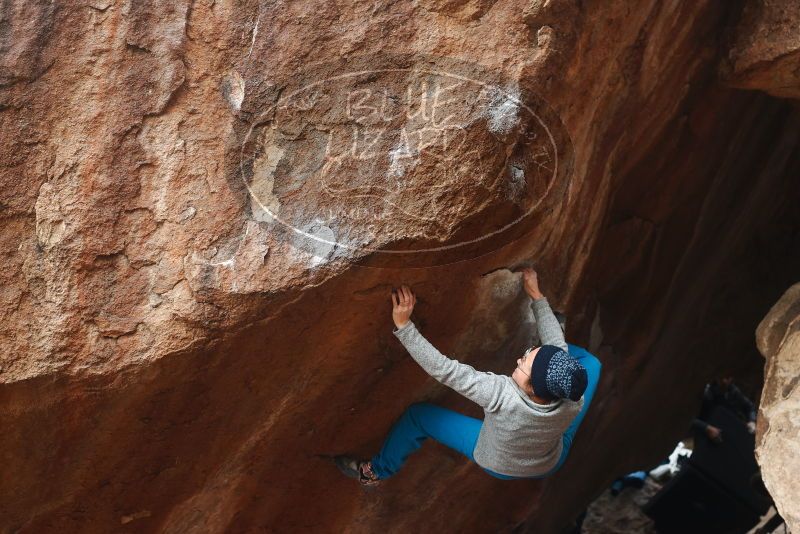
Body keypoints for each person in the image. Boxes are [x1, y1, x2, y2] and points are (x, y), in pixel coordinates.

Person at [336, 268, 602, 486]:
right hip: (549, 459)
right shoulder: (573, 395)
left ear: (530, 389)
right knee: (590, 364)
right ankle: (552, 357)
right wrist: (536, 295)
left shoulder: (501, 395)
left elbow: (445, 370)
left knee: (418, 416)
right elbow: (558, 347)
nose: (520, 359)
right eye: (531, 352)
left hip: (499, 462)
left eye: (524, 363)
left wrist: (404, 326)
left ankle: (375, 471)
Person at [691, 376, 758, 444]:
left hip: (727, 437)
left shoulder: (733, 391)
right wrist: (707, 428)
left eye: (727, 378)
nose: (724, 381)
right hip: (705, 437)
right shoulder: (706, 392)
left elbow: (749, 406)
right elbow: (688, 419)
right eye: (722, 378)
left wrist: (752, 421)